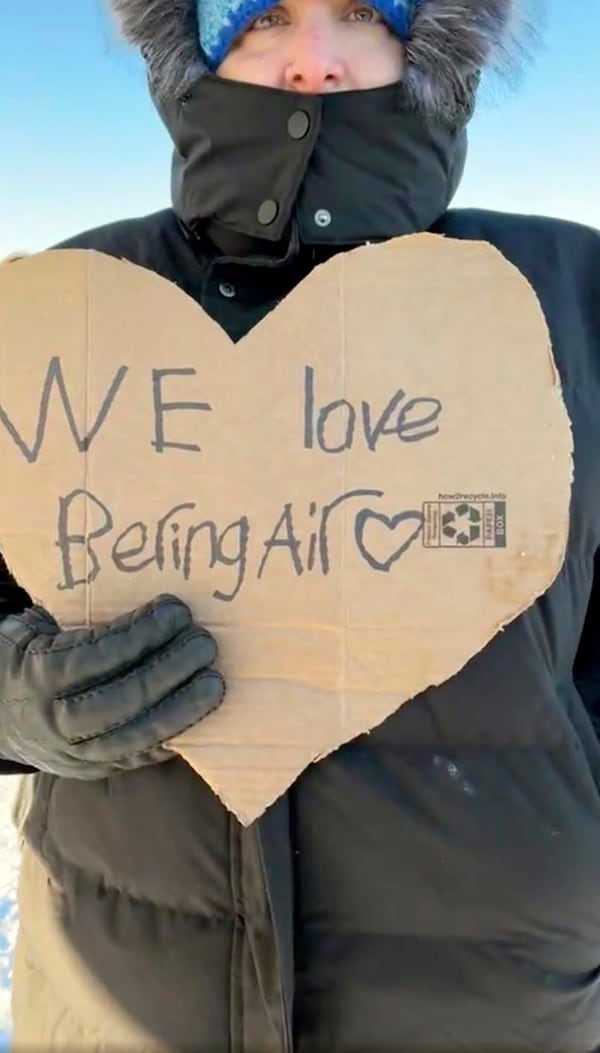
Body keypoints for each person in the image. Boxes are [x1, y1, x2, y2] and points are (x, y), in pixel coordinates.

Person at [2, 0, 600, 1049]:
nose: (314, 61)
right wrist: (13, 705)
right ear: (192, 40)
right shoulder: (66, 308)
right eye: (263, 15)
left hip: (501, 1006)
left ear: (434, 44)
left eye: (366, 12)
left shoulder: (572, 297)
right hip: (124, 997)